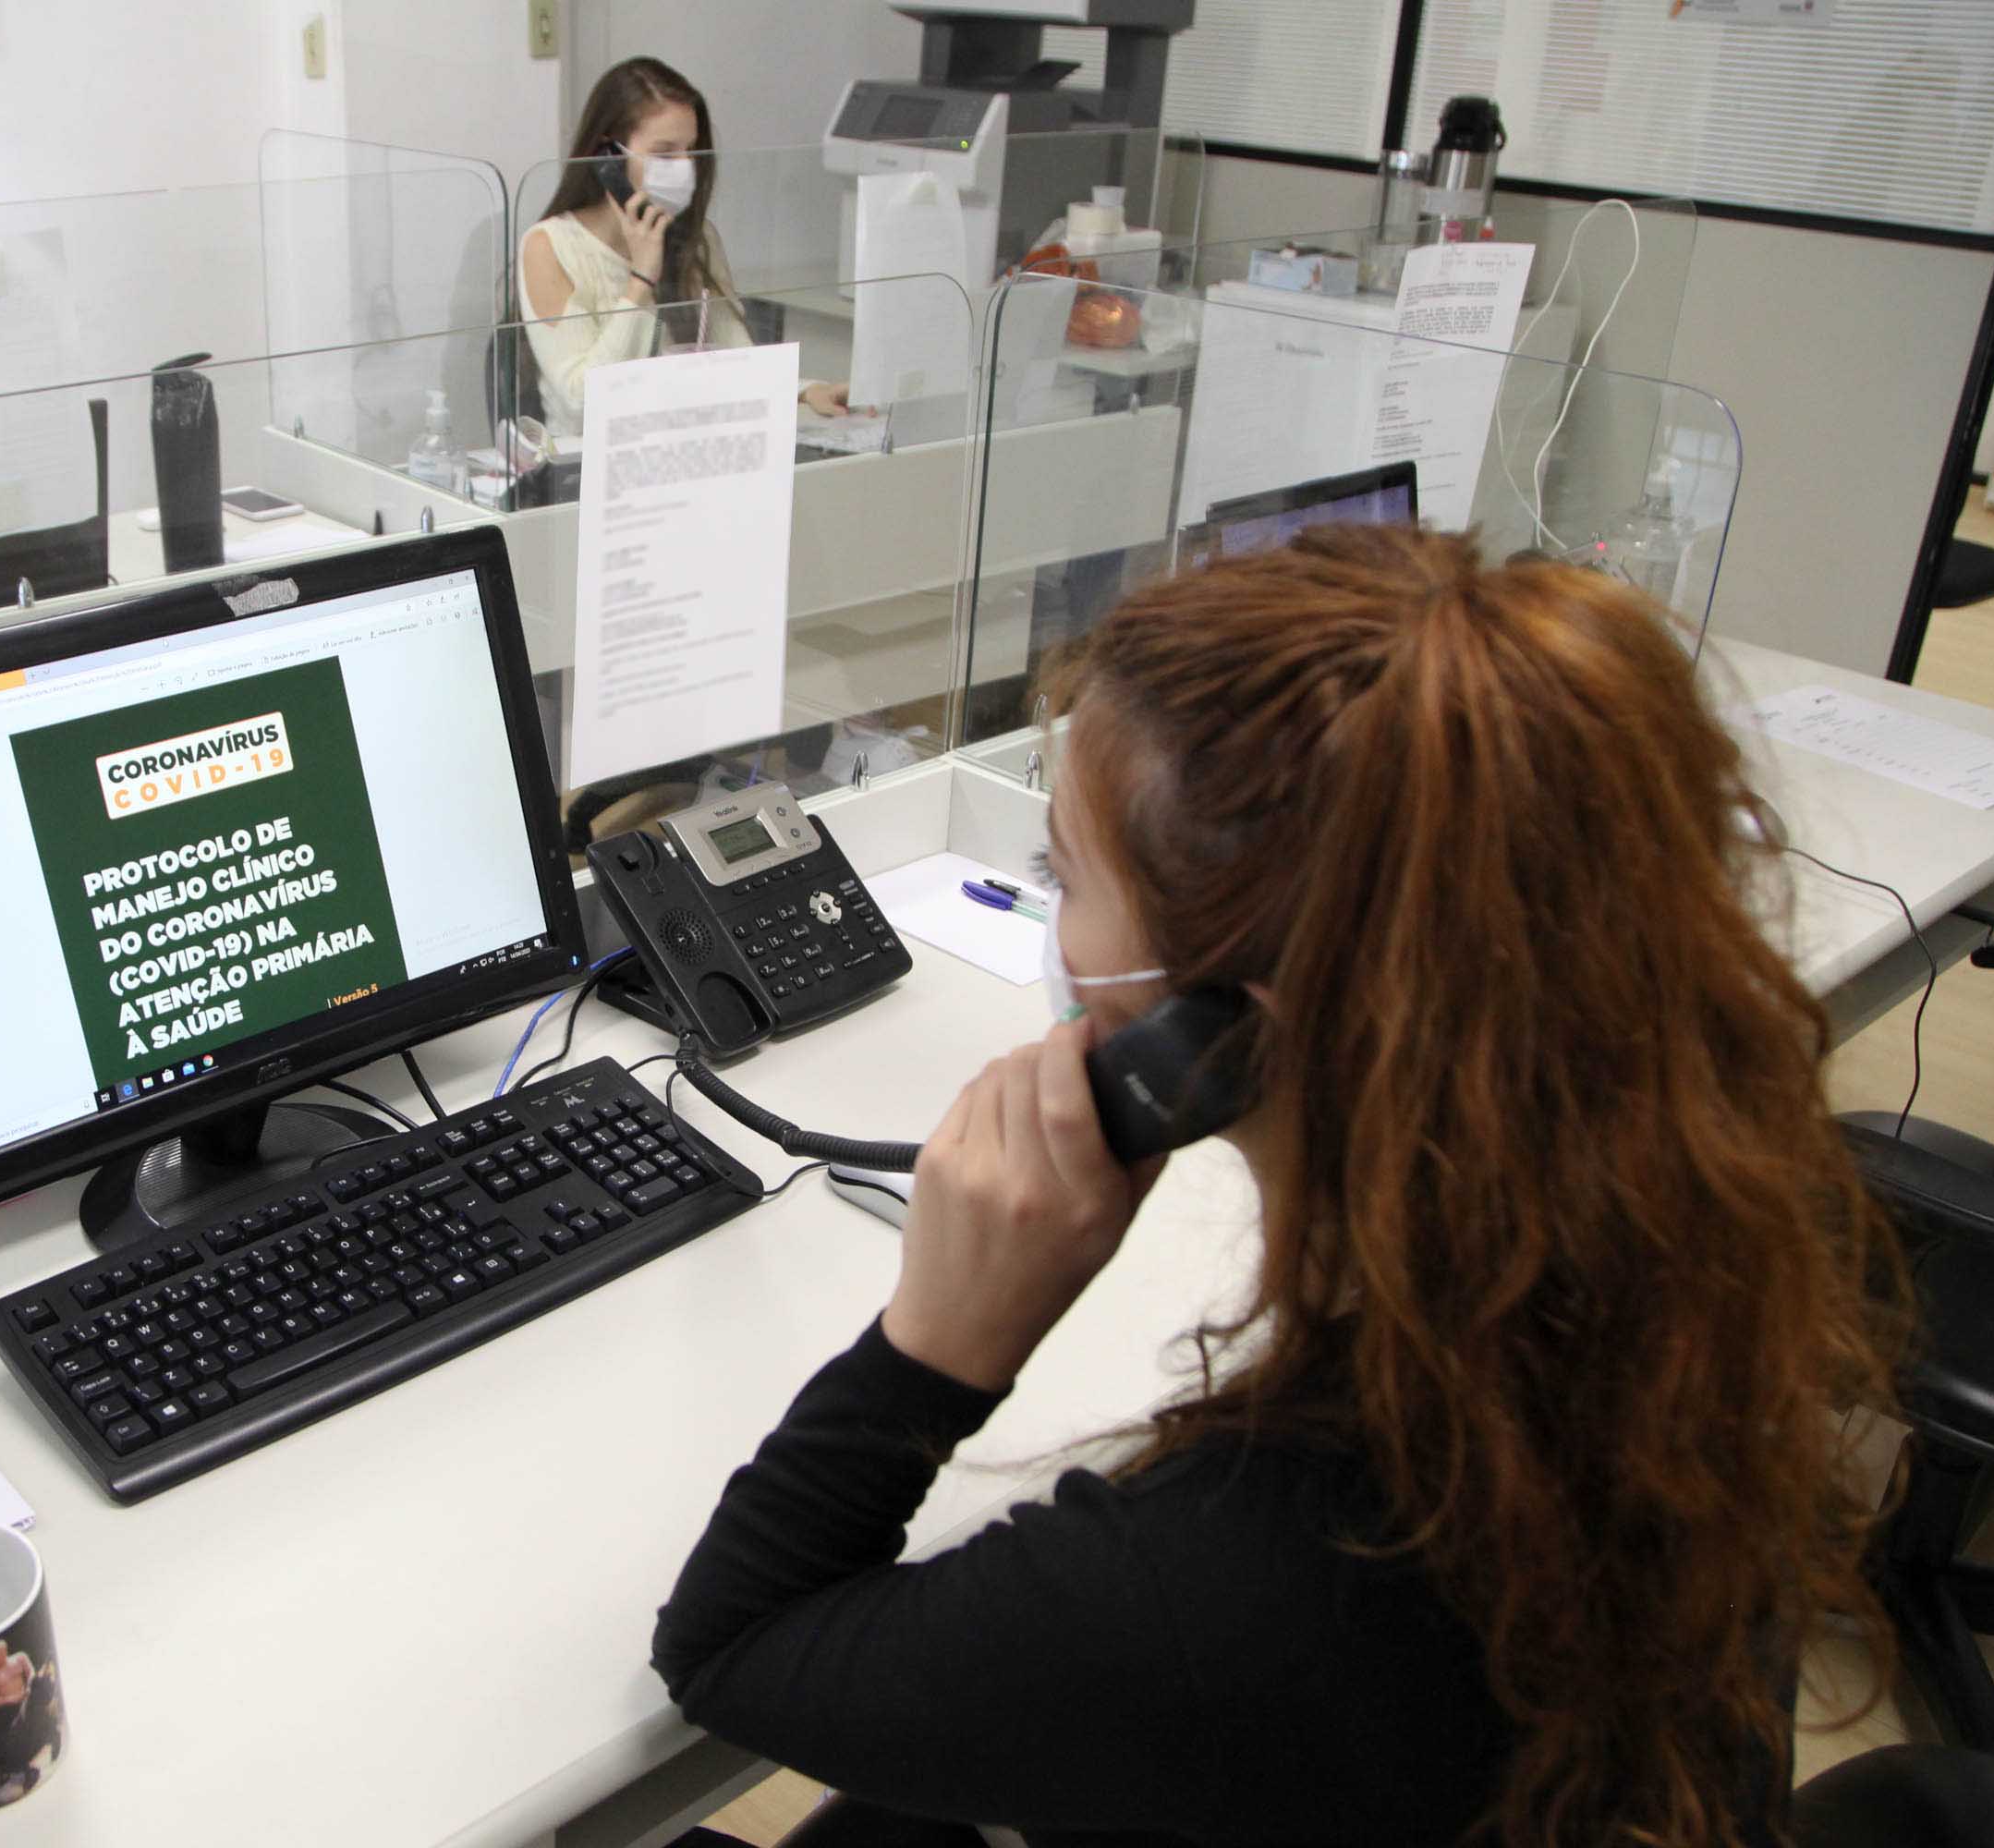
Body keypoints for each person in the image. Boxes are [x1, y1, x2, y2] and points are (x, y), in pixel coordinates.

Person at [652, 526, 1907, 1848]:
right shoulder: (1678, 1278)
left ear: (1232, 1019)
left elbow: (732, 1647)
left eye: (1064, 877)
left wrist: (941, 1340)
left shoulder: (1237, 1572)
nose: (1054, 923)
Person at [519, 58, 848, 438]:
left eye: (691, 150)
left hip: (684, 451)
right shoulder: (549, 246)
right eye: (664, 153)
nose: (685, 167)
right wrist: (641, 280)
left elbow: (736, 362)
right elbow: (582, 406)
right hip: (587, 461)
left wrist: (805, 392)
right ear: (608, 157)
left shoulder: (696, 237)